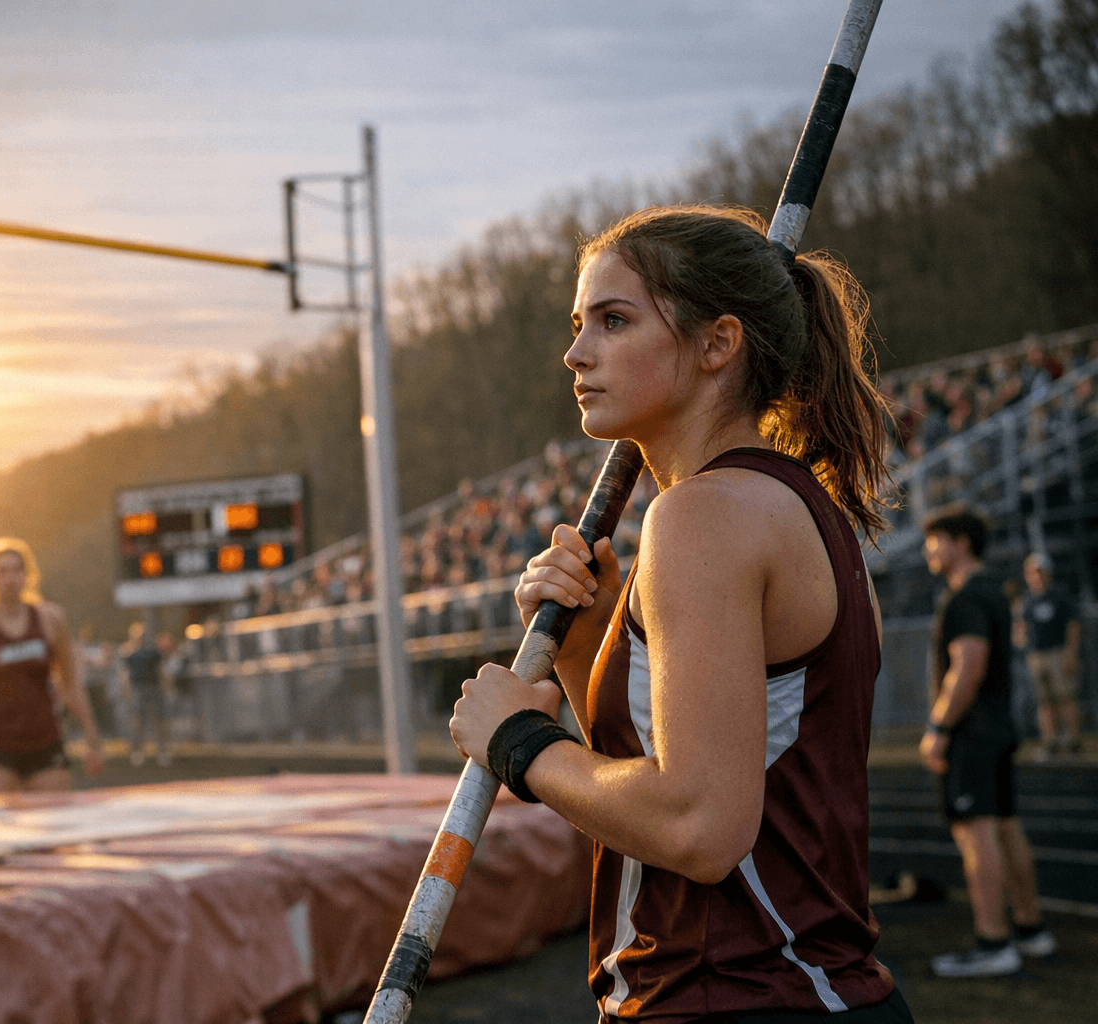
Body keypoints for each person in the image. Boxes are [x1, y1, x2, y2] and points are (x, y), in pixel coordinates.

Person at [448, 205, 912, 1021]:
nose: (576, 351)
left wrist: (520, 742)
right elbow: (707, 773)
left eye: (614, 320)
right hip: (810, 991)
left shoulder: (701, 517)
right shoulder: (804, 510)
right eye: (578, 322)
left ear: (717, 345)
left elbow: (700, 825)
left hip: (728, 996)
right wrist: (587, 647)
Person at [919, 507, 1055, 976]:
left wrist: (938, 728)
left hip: (973, 733)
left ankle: (993, 940)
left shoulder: (965, 597)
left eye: (934, 540)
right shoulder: (993, 589)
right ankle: (1031, 930)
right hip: (996, 728)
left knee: (976, 833)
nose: (927, 551)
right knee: (1004, 825)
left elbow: (968, 666)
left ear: (960, 542)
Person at [0, 538, 104, 792]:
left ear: (28, 575)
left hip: (44, 740)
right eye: (2, 571)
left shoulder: (50, 619)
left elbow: (70, 685)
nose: (10, 578)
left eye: (17, 570)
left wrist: (92, 739)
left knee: (55, 825)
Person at [1014, 551, 1083, 759]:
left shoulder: (1059, 595)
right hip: (1036, 656)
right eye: (1033, 572)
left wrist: (1070, 654)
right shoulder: (1026, 599)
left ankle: (1073, 743)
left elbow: (1073, 626)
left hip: (1058, 653)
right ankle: (1050, 742)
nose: (1038, 576)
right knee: (1044, 702)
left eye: (1041, 571)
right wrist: (1021, 642)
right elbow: (1020, 627)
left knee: (1065, 698)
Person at [119, 621, 171, 766]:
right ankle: (137, 752)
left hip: (153, 687)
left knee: (158, 719)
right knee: (137, 721)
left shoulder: (153, 652)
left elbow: (161, 671)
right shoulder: (129, 653)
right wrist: (125, 691)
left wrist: (166, 687)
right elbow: (125, 673)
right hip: (138, 688)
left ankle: (162, 751)